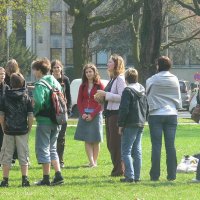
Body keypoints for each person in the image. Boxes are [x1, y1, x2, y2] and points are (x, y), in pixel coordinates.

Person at [146, 56, 182, 181]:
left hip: (156, 114)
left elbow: (148, 94)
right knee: (170, 145)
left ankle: (155, 175)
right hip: (171, 114)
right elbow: (178, 97)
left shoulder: (152, 79)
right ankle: (172, 175)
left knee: (156, 145)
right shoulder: (175, 79)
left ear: (158, 66)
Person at [32, 58, 64, 186]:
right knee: (52, 148)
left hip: (44, 120)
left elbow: (39, 102)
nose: (34, 72)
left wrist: (34, 112)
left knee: (43, 148)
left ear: (39, 70)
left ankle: (46, 178)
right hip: (56, 119)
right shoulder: (55, 82)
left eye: (35, 70)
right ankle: (58, 175)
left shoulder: (40, 84)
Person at [0, 73, 33, 187]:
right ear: (22, 83)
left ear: (11, 83)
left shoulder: (5, 97)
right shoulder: (26, 97)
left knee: (6, 155)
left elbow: (2, 116)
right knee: (23, 155)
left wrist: (3, 127)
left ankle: (5, 180)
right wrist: (29, 127)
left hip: (9, 130)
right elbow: (30, 116)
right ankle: (25, 180)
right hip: (22, 130)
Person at [96, 54, 126, 176]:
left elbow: (123, 97)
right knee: (110, 144)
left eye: (110, 62)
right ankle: (117, 168)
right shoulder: (112, 79)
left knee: (115, 144)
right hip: (109, 114)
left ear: (116, 65)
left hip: (116, 115)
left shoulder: (120, 79)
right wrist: (101, 98)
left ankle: (119, 169)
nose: (107, 64)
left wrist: (106, 95)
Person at [118, 68, 147, 183]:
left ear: (126, 79)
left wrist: (120, 124)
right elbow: (146, 106)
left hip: (130, 123)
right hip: (140, 122)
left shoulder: (127, 90)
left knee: (126, 151)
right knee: (137, 150)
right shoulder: (142, 89)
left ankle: (129, 176)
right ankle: (137, 176)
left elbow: (124, 109)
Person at [74, 63, 104, 167]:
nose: (88, 74)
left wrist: (92, 114)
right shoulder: (82, 86)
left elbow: (102, 103)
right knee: (87, 139)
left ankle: (94, 162)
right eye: (86, 72)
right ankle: (91, 162)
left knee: (96, 139)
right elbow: (79, 101)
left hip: (96, 115)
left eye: (90, 71)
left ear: (94, 72)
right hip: (84, 115)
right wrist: (82, 114)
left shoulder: (100, 85)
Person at [51, 59, 72, 168]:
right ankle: (52, 160)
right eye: (54, 67)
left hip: (62, 113)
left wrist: (68, 110)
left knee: (61, 137)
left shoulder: (65, 80)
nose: (56, 69)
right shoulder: (49, 79)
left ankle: (61, 160)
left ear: (61, 68)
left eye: (58, 67)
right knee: (52, 137)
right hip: (52, 113)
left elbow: (68, 95)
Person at [4, 59, 20, 165]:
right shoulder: (19, 77)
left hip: (12, 111)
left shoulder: (12, 79)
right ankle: (14, 156)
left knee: (11, 135)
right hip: (17, 112)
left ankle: (14, 156)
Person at [0, 68, 9, 160]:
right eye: (0, 74)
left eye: (3, 74)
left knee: (2, 139)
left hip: (3, 117)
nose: (2, 76)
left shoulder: (6, 88)